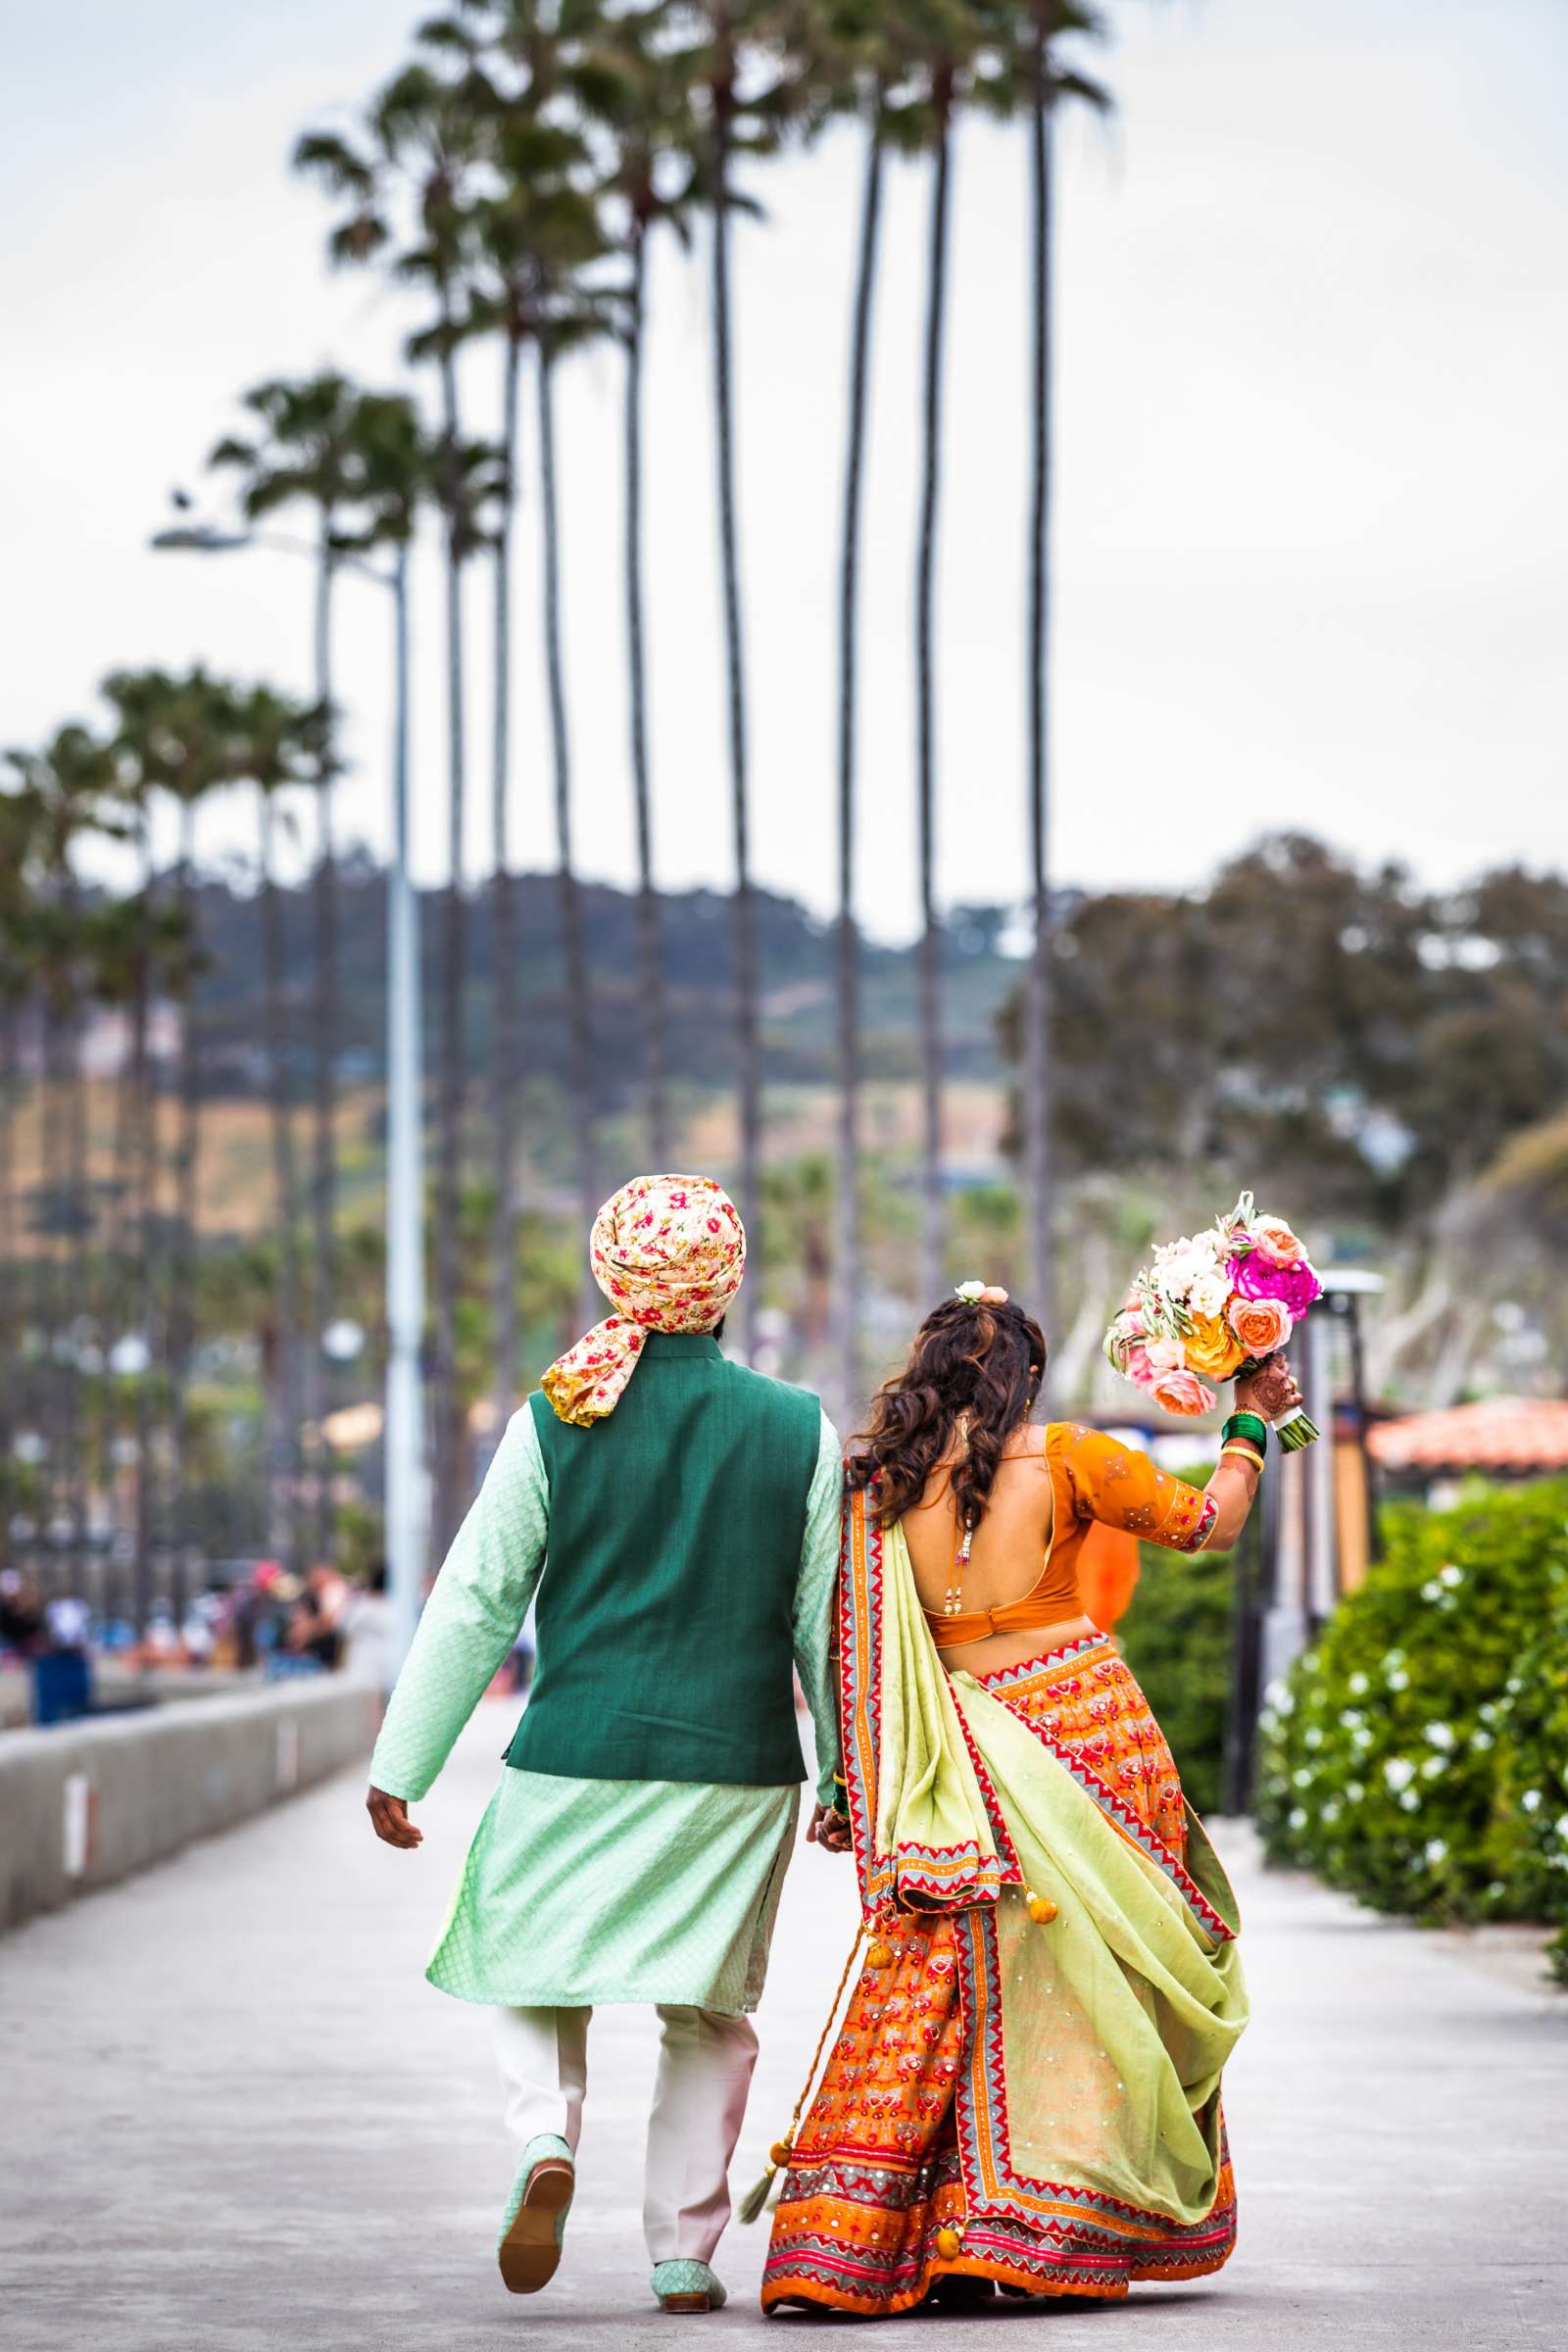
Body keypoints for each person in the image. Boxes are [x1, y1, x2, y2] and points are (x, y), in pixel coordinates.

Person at [762, 1286, 1298, 2318]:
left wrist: (846, 1781)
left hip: (942, 1754)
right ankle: (1045, 2229)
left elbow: (847, 1650)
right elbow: (1208, 1525)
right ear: (1025, 1378)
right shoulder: (1068, 1457)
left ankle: (913, 2236)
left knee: (953, 1982)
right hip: (1081, 1734)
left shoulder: (871, 1486)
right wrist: (1248, 1422)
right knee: (1087, 1983)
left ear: (924, 1371)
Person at [364, 1174, 849, 2315]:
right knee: (708, 2013)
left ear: (612, 1277)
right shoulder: (798, 1428)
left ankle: (545, 2139)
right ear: (726, 1285)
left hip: (574, 1752)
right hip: (736, 1769)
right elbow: (826, 1621)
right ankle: (683, 2250)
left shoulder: (555, 1419)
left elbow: (480, 1597)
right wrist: (844, 1775)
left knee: (533, 1961)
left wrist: (403, 1762)